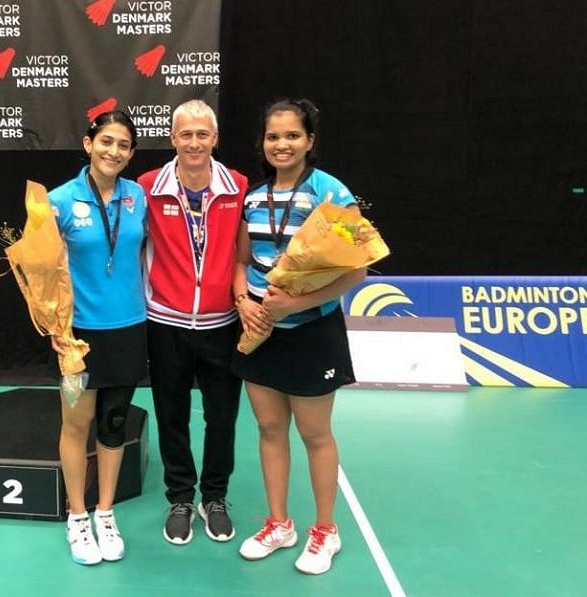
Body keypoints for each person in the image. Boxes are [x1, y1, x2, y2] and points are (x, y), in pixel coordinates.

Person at [232, 99, 366, 575]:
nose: (281, 144)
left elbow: (359, 268)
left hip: (312, 331)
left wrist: (298, 304)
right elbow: (242, 261)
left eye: (292, 136)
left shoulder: (333, 193)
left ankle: (325, 531)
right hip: (260, 331)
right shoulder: (252, 197)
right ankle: (279, 523)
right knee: (269, 429)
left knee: (314, 434)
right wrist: (242, 301)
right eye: (273, 137)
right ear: (262, 144)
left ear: (309, 140)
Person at [137, 99, 248, 545]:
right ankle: (181, 496)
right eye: (186, 134)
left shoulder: (237, 186)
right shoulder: (148, 186)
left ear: (215, 139)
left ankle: (214, 497)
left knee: (223, 417)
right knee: (172, 414)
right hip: (166, 322)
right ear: (172, 138)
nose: (195, 142)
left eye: (203, 134)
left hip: (223, 323)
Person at [47, 111, 147, 566]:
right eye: (106, 141)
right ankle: (76, 515)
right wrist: (58, 329)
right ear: (88, 143)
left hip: (128, 329)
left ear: (131, 153)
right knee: (76, 424)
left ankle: (105, 512)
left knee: (113, 424)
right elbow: (42, 274)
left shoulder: (137, 198)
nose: (114, 151)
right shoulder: (58, 201)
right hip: (79, 337)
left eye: (123, 145)